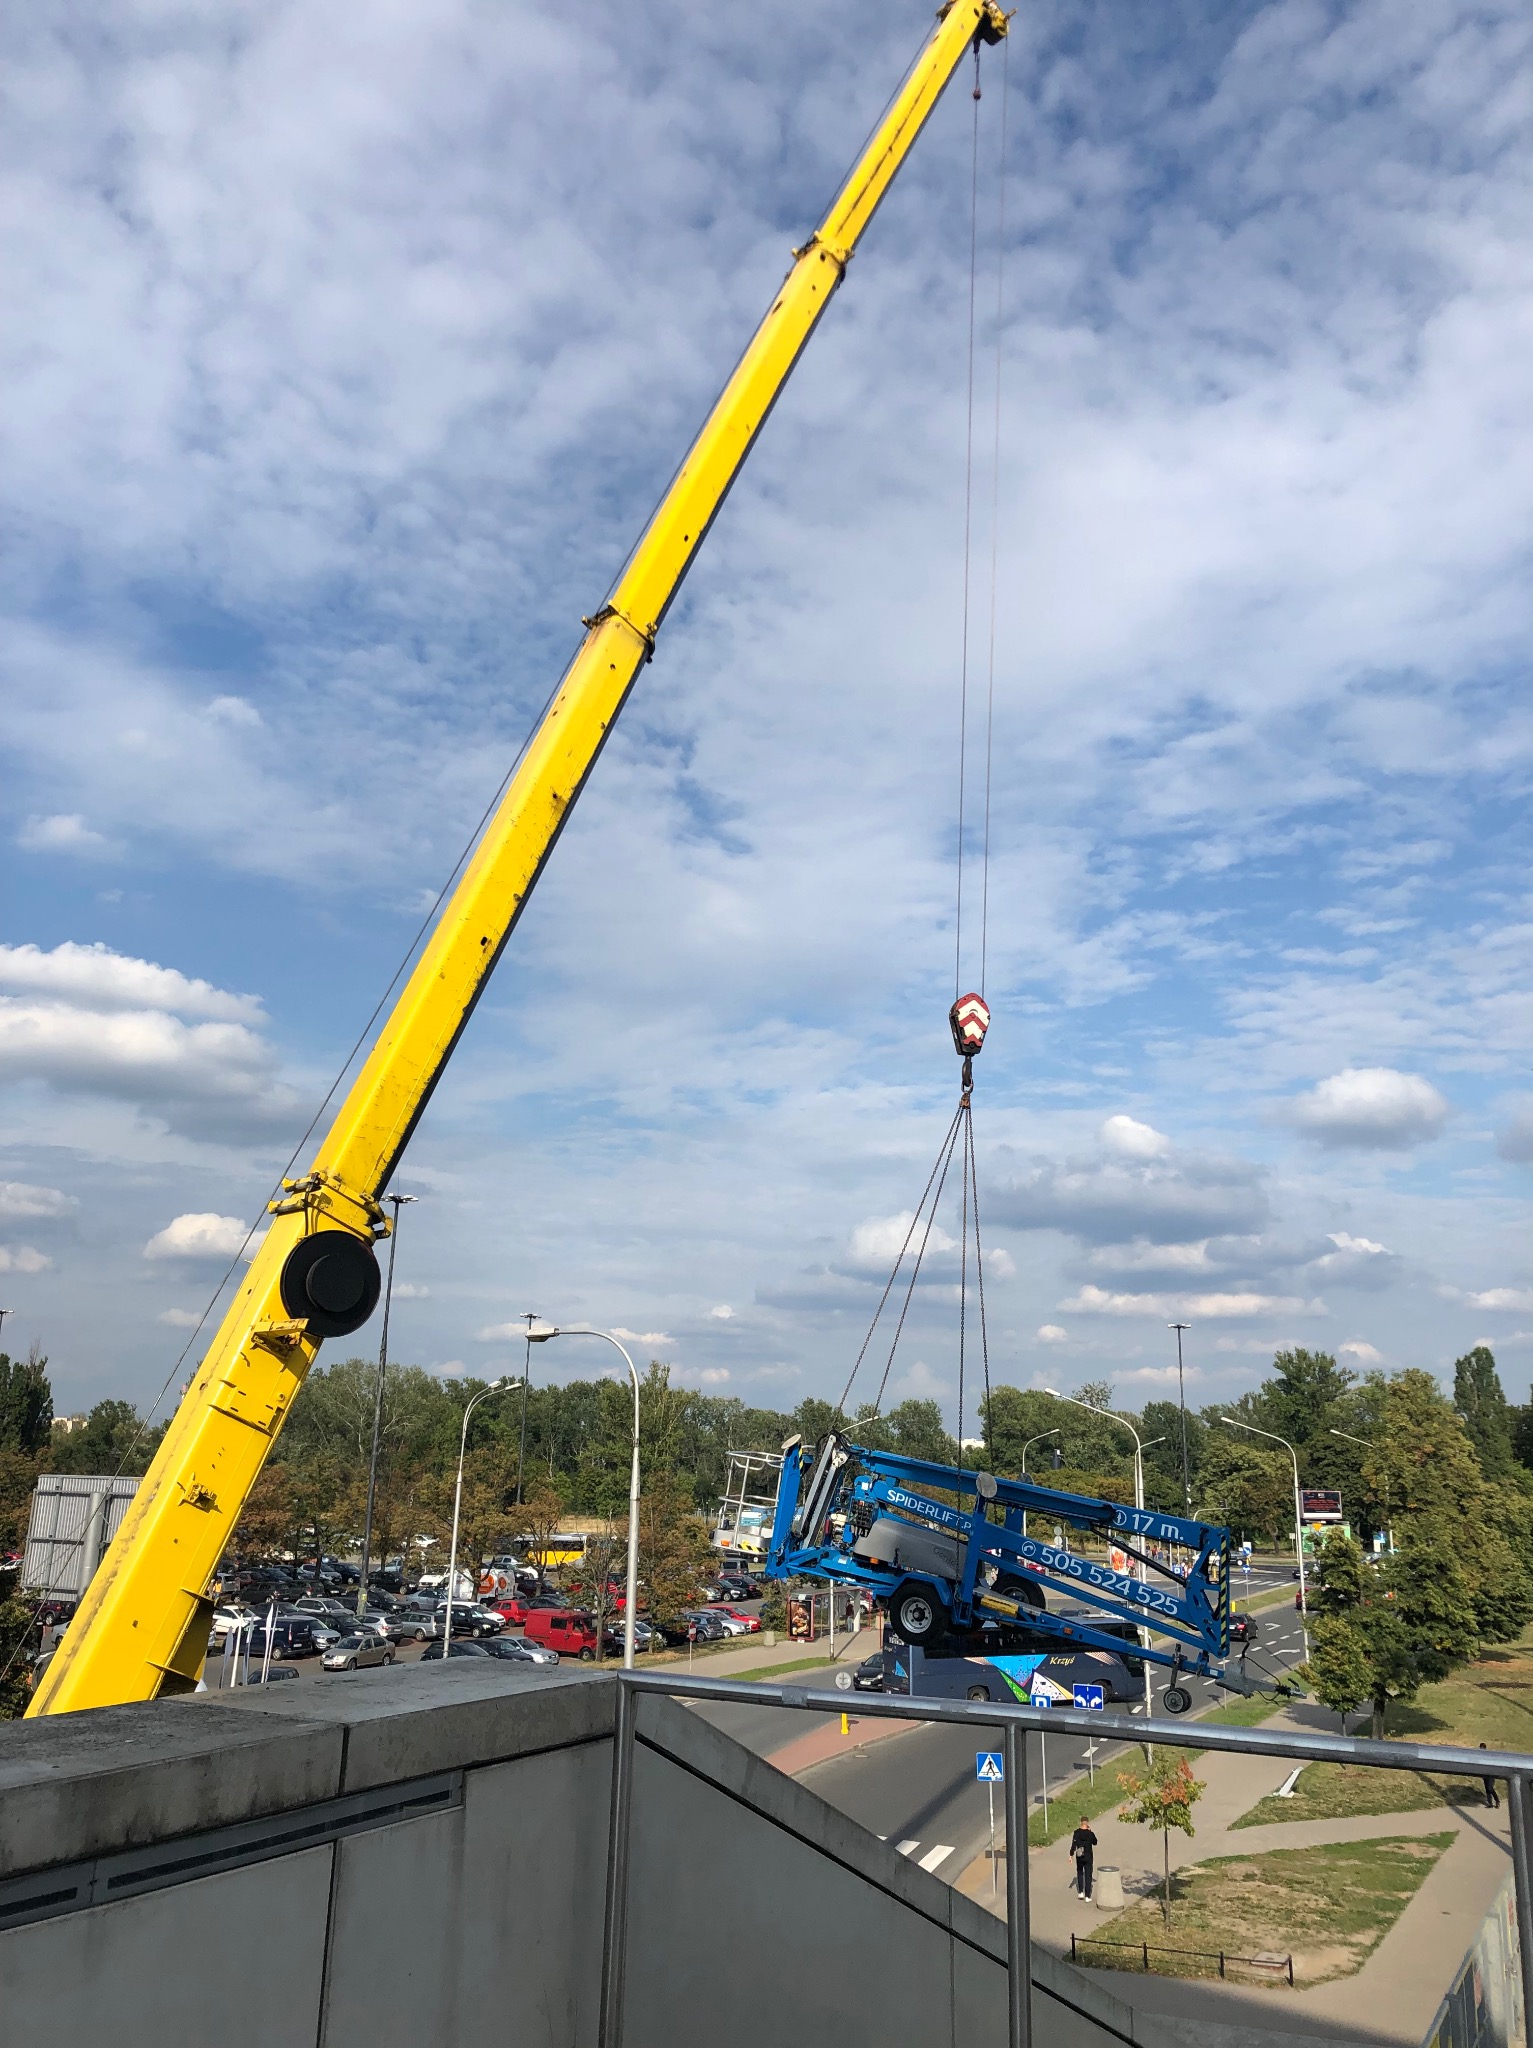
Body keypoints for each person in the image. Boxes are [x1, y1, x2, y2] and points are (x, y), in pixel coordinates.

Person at [1069, 1817, 1098, 1899]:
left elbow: (1073, 1845)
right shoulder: (1090, 1834)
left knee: (1080, 1873)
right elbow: (1095, 1842)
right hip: (1088, 1856)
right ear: (1087, 1823)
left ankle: (1081, 1892)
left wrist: (1071, 1855)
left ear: (1080, 1823)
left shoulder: (1076, 1833)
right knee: (1088, 1875)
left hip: (1079, 1856)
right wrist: (1091, 1832)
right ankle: (1087, 1896)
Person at [1481, 1743, 1500, 1809]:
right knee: (1487, 1789)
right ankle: (1490, 1803)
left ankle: (1497, 1800)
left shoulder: (1488, 1755)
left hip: (1491, 1774)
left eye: (1482, 1749)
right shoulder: (1480, 1756)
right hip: (1485, 1774)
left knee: (1490, 1788)